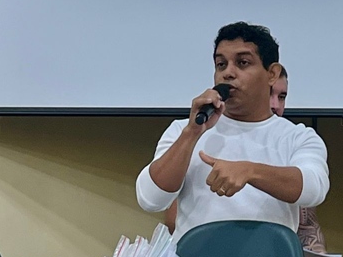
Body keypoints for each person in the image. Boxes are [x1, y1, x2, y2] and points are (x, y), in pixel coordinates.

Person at [136, 22, 330, 243]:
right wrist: (192, 132)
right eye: (221, 64)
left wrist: (250, 171)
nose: (228, 73)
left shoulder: (298, 137)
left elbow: (314, 188)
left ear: (272, 74)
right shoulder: (184, 130)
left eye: (242, 63)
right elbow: (150, 199)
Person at [162, 64, 331, 257]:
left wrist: (250, 171)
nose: (275, 105)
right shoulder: (190, 133)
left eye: (282, 97)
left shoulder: (297, 139)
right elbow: (167, 213)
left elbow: (311, 204)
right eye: (269, 94)